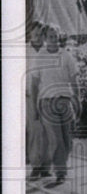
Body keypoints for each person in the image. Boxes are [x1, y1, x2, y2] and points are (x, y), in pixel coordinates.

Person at [31, 25, 79, 184]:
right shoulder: (40, 57)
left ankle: (60, 165)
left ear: (59, 37)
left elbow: (73, 79)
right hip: (47, 102)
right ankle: (60, 171)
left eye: (55, 36)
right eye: (50, 37)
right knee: (56, 138)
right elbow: (34, 84)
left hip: (65, 100)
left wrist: (77, 99)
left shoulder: (66, 56)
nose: (53, 39)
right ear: (45, 39)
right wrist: (35, 107)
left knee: (67, 138)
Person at [26, 21, 50, 180]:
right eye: (35, 34)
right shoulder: (24, 51)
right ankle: (36, 165)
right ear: (30, 35)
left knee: (48, 131)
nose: (38, 37)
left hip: (47, 95)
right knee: (34, 130)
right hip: (29, 95)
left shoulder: (49, 50)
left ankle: (46, 166)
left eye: (41, 34)